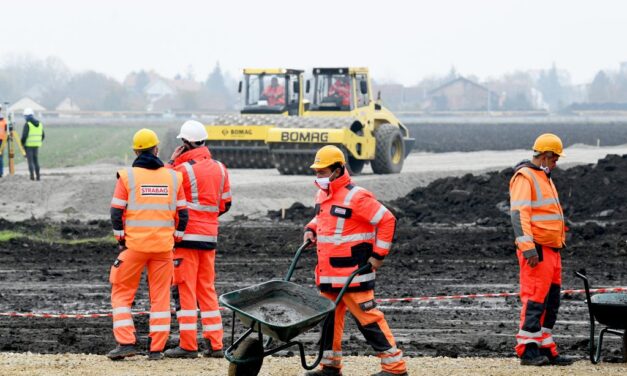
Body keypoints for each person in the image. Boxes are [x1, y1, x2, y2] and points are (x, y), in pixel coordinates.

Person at [303, 145, 407, 376]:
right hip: (328, 274)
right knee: (328, 322)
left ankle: (395, 368)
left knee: (369, 321)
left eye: (322, 171)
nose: (318, 176)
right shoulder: (322, 194)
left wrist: (378, 256)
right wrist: (311, 228)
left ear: (338, 170)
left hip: (353, 274)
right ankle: (330, 367)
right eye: (316, 171)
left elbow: (387, 220)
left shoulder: (357, 196)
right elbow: (323, 218)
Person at [107, 128, 189, 361]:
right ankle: (157, 349)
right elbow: (183, 215)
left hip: (134, 247)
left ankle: (126, 343)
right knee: (161, 297)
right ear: (156, 149)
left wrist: (121, 238)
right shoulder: (173, 177)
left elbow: (116, 211)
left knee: (122, 293)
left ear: (135, 151)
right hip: (163, 248)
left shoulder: (127, 177)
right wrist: (176, 239)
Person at [163, 120, 232, 359]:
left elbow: (165, 188)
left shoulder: (182, 170)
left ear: (185, 143)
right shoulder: (221, 168)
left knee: (185, 290)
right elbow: (226, 204)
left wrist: (172, 161)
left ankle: (188, 345)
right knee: (207, 290)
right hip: (209, 238)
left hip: (185, 239)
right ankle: (215, 345)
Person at [509, 133, 573, 366]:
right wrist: (528, 248)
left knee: (551, 301)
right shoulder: (525, 177)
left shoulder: (543, 176)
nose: (556, 163)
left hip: (552, 248)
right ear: (545, 156)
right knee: (535, 299)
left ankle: (545, 347)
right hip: (537, 249)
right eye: (555, 158)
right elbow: (519, 214)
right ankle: (527, 350)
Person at [20, 108, 44, 181]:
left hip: (29, 145)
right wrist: (38, 141)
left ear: (26, 116)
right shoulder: (39, 124)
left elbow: (24, 136)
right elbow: (43, 135)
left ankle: (32, 177)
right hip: (36, 145)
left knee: (30, 161)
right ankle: (38, 177)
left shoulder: (27, 124)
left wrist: (22, 144)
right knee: (36, 161)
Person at [0, 111, 6, 178]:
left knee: (0, 157)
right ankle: (1, 173)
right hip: (2, 141)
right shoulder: (4, 121)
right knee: (1, 157)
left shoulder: (4, 122)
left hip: (1, 141)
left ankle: (1, 173)